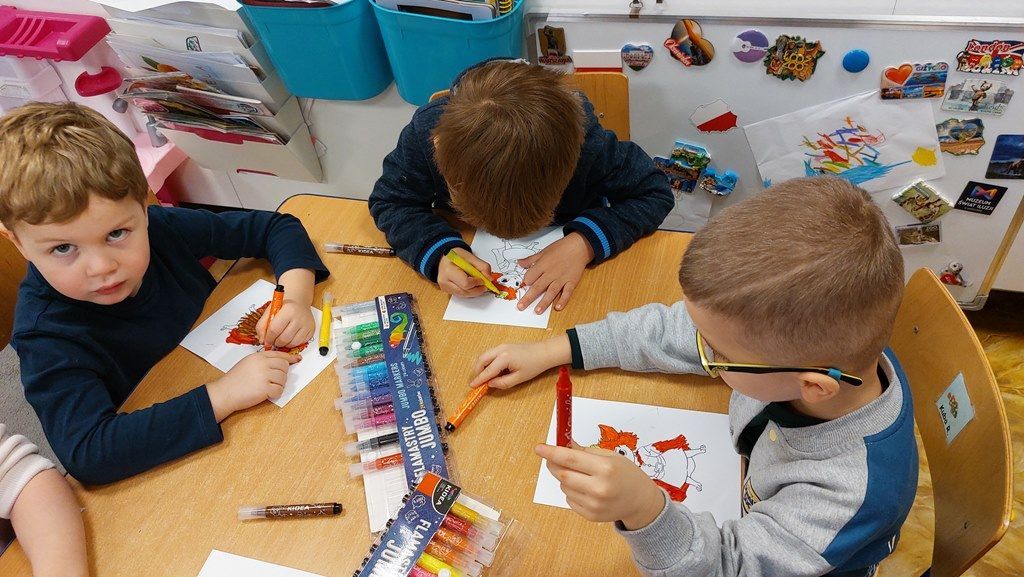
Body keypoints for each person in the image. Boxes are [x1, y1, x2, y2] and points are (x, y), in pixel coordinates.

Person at [469, 177, 917, 577]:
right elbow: (675, 330)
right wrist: (554, 349)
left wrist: (644, 509)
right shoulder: (821, 348)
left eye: (716, 354)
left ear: (813, 387)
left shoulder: (846, 493)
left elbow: (728, 568)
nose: (698, 347)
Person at [0, 102, 328, 484]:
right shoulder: (45, 335)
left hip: (239, 392)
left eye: (116, 234)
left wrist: (295, 296)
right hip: (178, 454)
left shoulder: (161, 228)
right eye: (62, 248)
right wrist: (223, 395)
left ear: (144, 207)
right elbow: (90, 452)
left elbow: (276, 228)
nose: (102, 267)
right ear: (18, 243)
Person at [369, 59, 673, 314]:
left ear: (572, 162)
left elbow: (654, 192)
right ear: (438, 150)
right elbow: (393, 201)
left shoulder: (588, 143)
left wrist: (583, 243)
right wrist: (438, 253)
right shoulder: (425, 136)